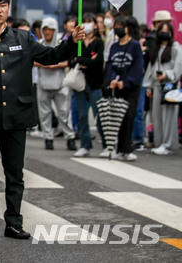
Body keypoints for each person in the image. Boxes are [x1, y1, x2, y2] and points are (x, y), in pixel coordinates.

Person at [0, 0, 84, 240]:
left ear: (8, 8)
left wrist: (71, 42)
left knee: (15, 173)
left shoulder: (24, 39)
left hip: (16, 116)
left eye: (3, 5)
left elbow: (51, 56)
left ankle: (13, 222)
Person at [101, 16, 145, 161]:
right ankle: (117, 148)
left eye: (121, 26)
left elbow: (138, 68)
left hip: (130, 89)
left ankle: (126, 149)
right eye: (116, 26)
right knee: (115, 118)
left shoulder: (135, 45)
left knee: (129, 116)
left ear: (128, 28)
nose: (118, 29)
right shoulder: (113, 46)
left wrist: (126, 82)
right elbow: (110, 65)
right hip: (116, 88)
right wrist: (112, 80)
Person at [35, 17, 76, 151]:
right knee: (44, 113)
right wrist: (44, 63)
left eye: (50, 30)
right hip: (43, 83)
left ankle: (70, 137)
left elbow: (69, 60)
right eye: (45, 29)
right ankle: (48, 138)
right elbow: (31, 60)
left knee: (64, 112)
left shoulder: (61, 43)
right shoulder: (39, 44)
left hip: (60, 83)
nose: (47, 32)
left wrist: (55, 65)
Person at [69, 13, 105, 157]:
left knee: (99, 115)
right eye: (84, 22)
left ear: (95, 25)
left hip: (95, 84)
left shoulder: (99, 42)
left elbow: (98, 62)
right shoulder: (78, 42)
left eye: (90, 22)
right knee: (82, 115)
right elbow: (72, 60)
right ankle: (85, 144)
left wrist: (82, 60)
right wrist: (86, 59)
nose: (87, 24)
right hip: (80, 84)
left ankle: (106, 144)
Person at [143, 21, 182, 155]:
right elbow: (151, 68)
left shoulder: (176, 48)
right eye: (161, 30)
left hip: (170, 85)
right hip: (157, 85)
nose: (164, 32)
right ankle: (159, 142)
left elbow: (178, 67)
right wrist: (148, 86)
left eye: (167, 30)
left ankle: (168, 144)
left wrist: (167, 74)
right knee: (157, 114)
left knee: (169, 115)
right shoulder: (157, 48)